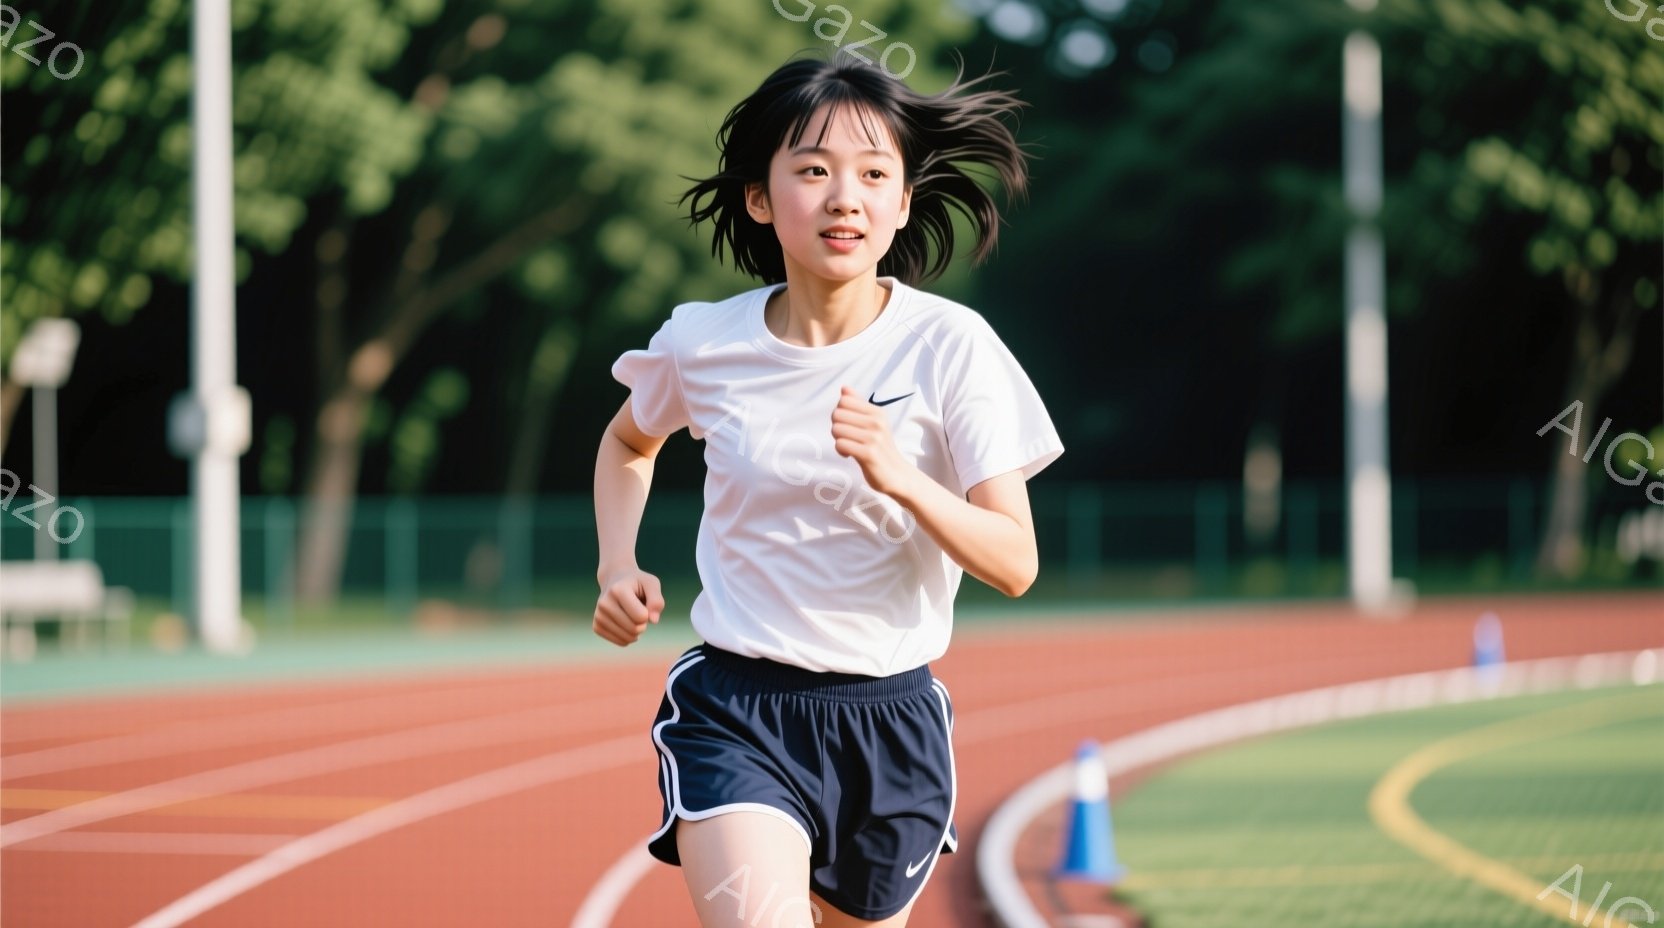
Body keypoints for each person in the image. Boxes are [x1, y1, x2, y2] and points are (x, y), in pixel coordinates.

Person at [593, 51, 1063, 927]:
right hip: (736, 710)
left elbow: (1015, 563)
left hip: (890, 722)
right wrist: (616, 563)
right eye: (813, 170)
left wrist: (903, 480)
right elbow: (628, 440)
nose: (845, 197)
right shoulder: (705, 343)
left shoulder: (951, 346)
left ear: (903, 203)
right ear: (759, 198)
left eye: (874, 174)